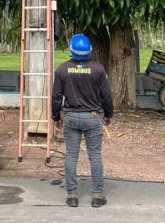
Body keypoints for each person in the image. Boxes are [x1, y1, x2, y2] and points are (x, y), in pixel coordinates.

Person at [51, 33, 114, 208]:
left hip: (70, 118)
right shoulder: (98, 69)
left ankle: (72, 195)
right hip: (93, 117)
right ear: (89, 51)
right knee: (95, 156)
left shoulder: (62, 70)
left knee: (71, 155)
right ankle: (98, 195)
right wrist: (109, 115)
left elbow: (56, 97)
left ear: (71, 50)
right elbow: (106, 96)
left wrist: (56, 117)